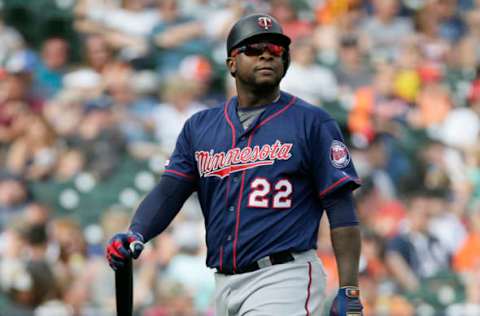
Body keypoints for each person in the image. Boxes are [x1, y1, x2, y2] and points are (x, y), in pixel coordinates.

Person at [106, 13, 363, 315]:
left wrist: (349, 288)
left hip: (284, 277)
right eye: (253, 49)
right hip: (224, 283)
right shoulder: (200, 127)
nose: (267, 53)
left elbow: (340, 206)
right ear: (231, 63)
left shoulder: (312, 122)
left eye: (276, 49)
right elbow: (169, 192)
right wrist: (137, 232)